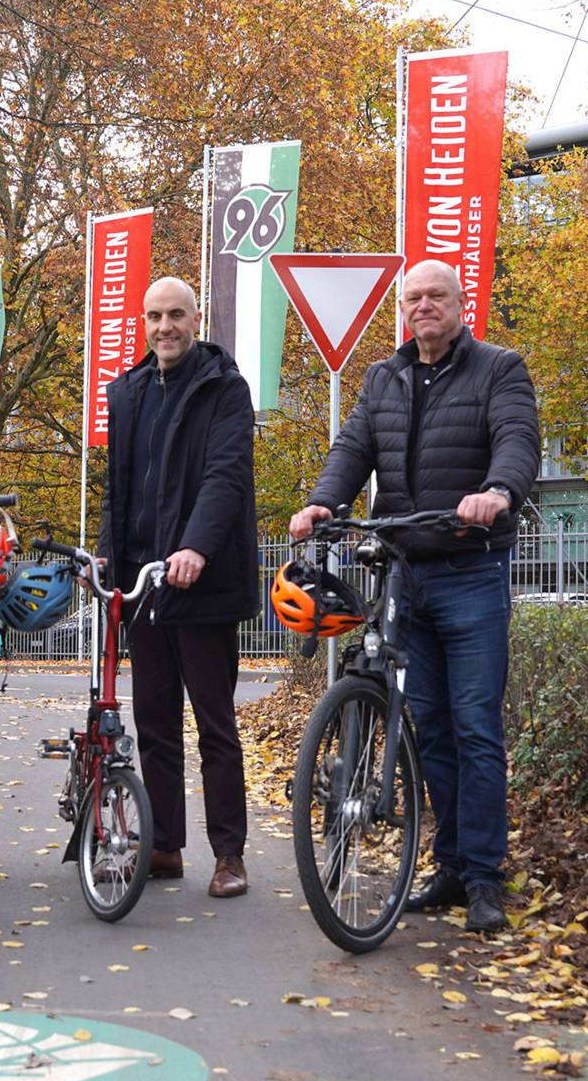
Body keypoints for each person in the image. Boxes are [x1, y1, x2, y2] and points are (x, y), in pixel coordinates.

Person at [288, 260, 540, 933]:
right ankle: (451, 866)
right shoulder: (384, 376)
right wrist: (321, 501)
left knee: (476, 728)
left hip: (470, 570)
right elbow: (354, 446)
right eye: (414, 298)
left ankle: (485, 876)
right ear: (403, 309)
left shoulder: (498, 368)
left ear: (462, 304)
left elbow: (518, 441)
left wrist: (499, 493)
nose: (424, 306)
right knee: (429, 732)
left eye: (437, 296)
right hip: (404, 569)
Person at [100, 276, 259, 898]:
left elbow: (227, 475)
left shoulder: (223, 388)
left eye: (175, 315)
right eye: (153, 316)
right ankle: (164, 846)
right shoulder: (128, 392)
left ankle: (230, 856)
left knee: (215, 724)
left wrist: (194, 546)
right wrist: (112, 562)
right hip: (144, 587)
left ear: (197, 320)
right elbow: (120, 489)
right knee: (155, 722)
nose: (164, 327)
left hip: (202, 582)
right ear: (142, 322)